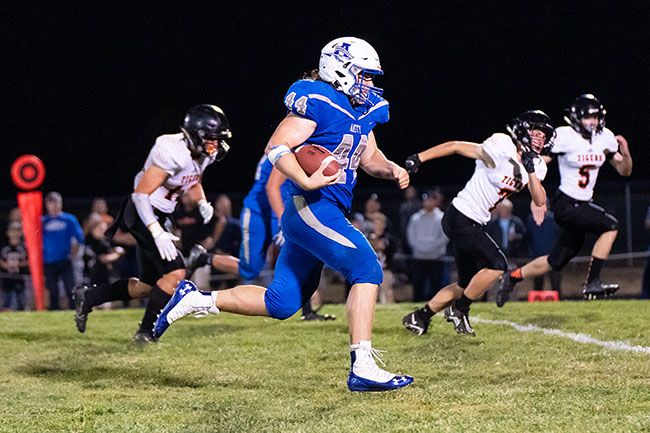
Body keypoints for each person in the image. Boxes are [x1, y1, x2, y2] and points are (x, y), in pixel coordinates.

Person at [154, 37, 413, 392]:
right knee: (366, 268)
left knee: (282, 302)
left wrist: (392, 169)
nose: (369, 84)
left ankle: (196, 299)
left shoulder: (362, 112)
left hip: (324, 210)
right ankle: (363, 366)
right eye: (364, 75)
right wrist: (306, 178)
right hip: (312, 207)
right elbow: (276, 146)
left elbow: (370, 159)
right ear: (340, 70)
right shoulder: (318, 102)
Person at [73, 104, 232, 343]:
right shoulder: (171, 150)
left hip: (160, 214)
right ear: (196, 135)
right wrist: (156, 230)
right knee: (176, 272)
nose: (216, 146)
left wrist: (202, 202)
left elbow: (193, 178)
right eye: (212, 140)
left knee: (148, 285)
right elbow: (140, 195)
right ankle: (146, 332)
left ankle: (90, 297)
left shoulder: (201, 153)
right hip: (142, 212)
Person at [402, 110, 552, 336]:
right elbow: (455, 146)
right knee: (498, 265)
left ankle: (419, 317)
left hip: (474, 222)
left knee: (466, 284)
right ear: (522, 131)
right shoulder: (502, 145)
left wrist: (530, 169)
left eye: (544, 136)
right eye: (536, 134)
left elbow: (540, 200)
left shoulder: (538, 166)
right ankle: (460, 310)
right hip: (461, 216)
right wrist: (420, 157)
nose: (540, 140)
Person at [496, 94, 633, 306]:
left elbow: (624, 171)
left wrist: (625, 153)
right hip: (567, 203)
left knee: (556, 261)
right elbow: (539, 163)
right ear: (576, 118)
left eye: (596, 117)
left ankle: (511, 278)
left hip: (582, 205)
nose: (593, 122)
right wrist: (536, 196)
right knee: (611, 226)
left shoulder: (605, 137)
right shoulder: (564, 136)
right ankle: (593, 282)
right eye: (588, 117)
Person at [42, 192, 85, 310]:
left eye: (57, 202)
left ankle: (73, 310)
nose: (54, 206)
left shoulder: (69, 219)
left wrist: (73, 255)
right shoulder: (42, 221)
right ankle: (54, 310)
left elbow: (79, 238)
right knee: (52, 289)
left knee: (70, 287)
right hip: (49, 261)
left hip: (65, 260)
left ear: (61, 203)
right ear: (46, 204)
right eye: (51, 203)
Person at [406, 188, 449, 301]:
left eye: (431, 199)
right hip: (419, 257)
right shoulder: (415, 218)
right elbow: (411, 237)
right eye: (426, 200)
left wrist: (430, 248)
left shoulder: (441, 217)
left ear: (435, 201)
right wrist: (421, 248)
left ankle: (436, 306)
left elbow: (444, 237)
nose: (429, 202)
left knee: (436, 286)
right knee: (418, 286)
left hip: (436, 258)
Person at [0, 222, 29, 311]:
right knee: (6, 301)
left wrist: (19, 264)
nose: (14, 234)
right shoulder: (4, 246)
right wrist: (4, 264)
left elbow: (30, 260)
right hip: (7, 278)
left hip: (20, 277)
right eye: (12, 231)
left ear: (21, 233)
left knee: (21, 301)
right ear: (8, 233)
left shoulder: (24, 247)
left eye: (17, 232)